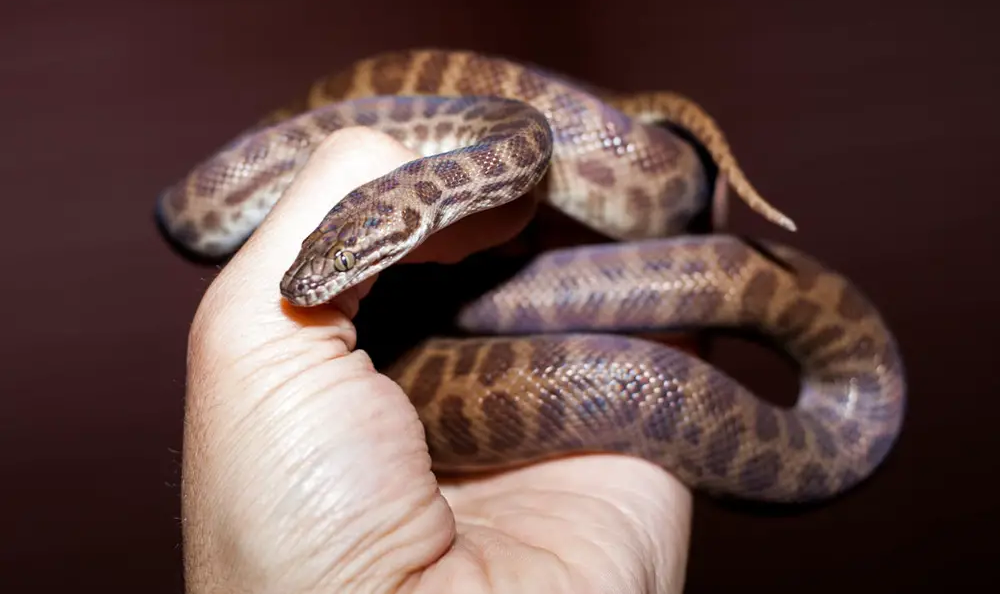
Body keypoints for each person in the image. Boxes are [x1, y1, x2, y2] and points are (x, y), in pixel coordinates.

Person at [181, 127, 692, 593]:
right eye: (330, 254)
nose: (311, 283)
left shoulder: (507, 146)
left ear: (413, 220)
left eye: (344, 262)